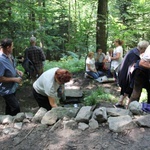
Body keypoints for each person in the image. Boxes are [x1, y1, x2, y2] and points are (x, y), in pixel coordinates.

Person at [115, 40, 149, 108]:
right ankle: (129, 106)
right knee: (129, 88)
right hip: (127, 74)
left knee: (125, 88)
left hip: (123, 72)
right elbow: (133, 66)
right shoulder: (135, 54)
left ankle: (120, 102)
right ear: (143, 48)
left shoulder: (133, 51)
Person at [0, 38, 23, 116]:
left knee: (9, 106)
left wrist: (17, 71)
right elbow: (0, 78)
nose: (13, 48)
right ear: (8, 47)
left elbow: (11, 67)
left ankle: (7, 121)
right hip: (5, 89)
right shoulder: (0, 60)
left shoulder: (9, 55)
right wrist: (15, 79)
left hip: (12, 87)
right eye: (12, 46)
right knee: (16, 108)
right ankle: (15, 123)